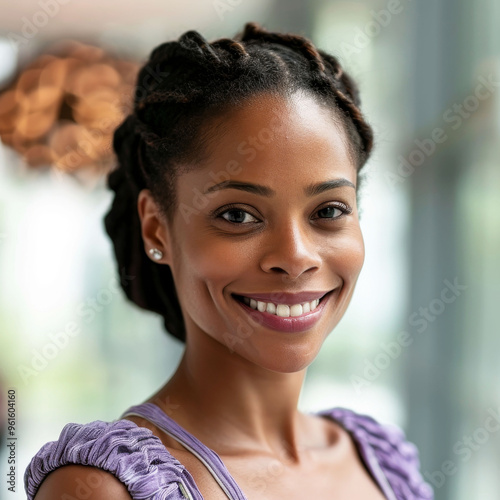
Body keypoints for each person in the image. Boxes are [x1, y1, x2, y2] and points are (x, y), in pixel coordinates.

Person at [24, 21, 434, 500]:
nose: (296, 257)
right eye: (238, 215)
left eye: (328, 211)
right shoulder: (103, 490)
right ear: (157, 228)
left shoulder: (379, 462)